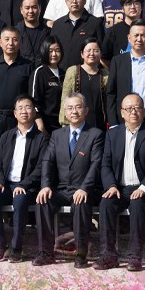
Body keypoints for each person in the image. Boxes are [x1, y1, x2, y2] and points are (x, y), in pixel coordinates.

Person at [99, 94, 145, 270]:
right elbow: (105, 164)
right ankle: (108, 255)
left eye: (137, 108)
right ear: (122, 113)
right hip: (120, 189)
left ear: (144, 112)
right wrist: (111, 186)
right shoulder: (113, 134)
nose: (133, 112)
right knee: (106, 203)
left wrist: (143, 188)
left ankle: (134, 257)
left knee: (138, 204)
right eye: (129, 109)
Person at [36, 92, 103, 268]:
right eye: (70, 108)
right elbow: (47, 161)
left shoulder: (95, 134)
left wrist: (85, 188)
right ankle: (45, 253)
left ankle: (80, 254)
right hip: (62, 188)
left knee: (81, 203)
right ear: (65, 112)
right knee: (43, 201)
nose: (74, 111)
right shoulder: (57, 135)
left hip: (84, 189)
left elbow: (96, 164)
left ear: (86, 110)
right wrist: (46, 186)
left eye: (78, 107)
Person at [0, 97, 48, 261]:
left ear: (34, 112)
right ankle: (0, 245)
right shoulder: (6, 136)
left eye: (28, 107)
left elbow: (41, 167)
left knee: (20, 201)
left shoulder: (42, 138)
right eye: (20, 108)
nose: (24, 111)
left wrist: (24, 184)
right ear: (14, 113)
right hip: (6, 185)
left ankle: (16, 248)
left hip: (28, 187)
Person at [63, 40, 112, 130]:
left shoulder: (106, 75)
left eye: (96, 50)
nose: (92, 53)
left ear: (100, 54)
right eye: (88, 50)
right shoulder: (72, 71)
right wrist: (65, 124)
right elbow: (65, 98)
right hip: (77, 123)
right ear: (82, 54)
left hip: (99, 124)